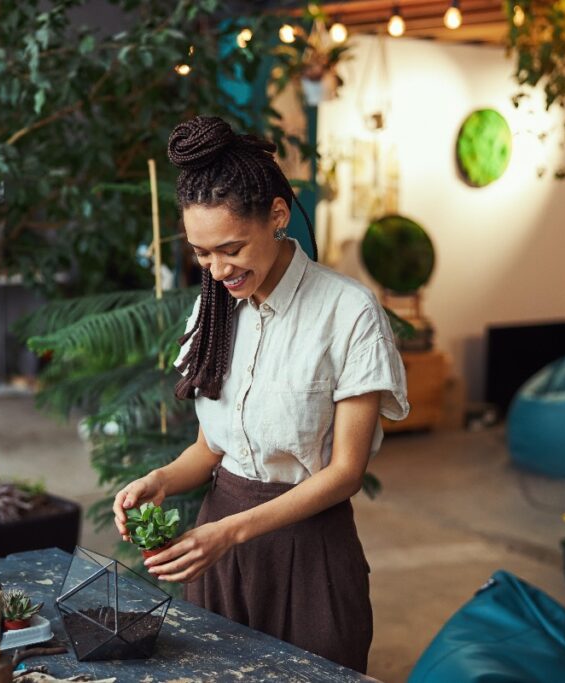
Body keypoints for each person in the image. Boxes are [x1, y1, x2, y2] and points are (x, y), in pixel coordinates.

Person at [112, 115, 409, 673]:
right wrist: (161, 480)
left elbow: (345, 473)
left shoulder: (348, 313)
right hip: (220, 556)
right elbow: (212, 449)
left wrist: (229, 532)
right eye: (201, 254)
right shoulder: (215, 309)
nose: (217, 269)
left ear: (277, 215)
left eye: (230, 248)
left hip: (309, 555)